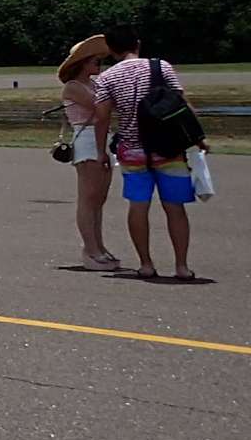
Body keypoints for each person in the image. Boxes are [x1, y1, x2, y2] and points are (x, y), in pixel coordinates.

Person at [91, 26, 209, 280]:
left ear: (111, 50)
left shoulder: (107, 77)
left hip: (132, 151)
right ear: (137, 43)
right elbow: (181, 103)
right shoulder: (161, 67)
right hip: (169, 148)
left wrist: (101, 151)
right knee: (175, 207)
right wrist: (198, 137)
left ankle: (146, 264)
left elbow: (102, 117)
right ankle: (181, 266)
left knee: (138, 206)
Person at [57, 34, 118, 271]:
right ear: (82, 63)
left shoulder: (95, 83)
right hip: (87, 139)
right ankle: (90, 249)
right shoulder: (73, 87)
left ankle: (99, 246)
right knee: (88, 198)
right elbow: (100, 106)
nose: (99, 65)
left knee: (99, 199)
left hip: (103, 138)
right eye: (95, 61)